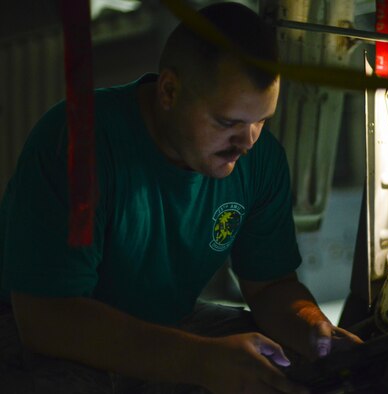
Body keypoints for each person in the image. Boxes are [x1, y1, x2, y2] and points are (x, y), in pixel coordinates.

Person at [0, 2, 361, 393]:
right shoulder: (79, 142)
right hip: (34, 327)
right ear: (169, 91)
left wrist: (313, 330)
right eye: (228, 123)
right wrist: (199, 361)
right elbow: (47, 318)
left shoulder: (259, 159)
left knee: (281, 360)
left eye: (261, 120)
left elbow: (271, 286)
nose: (247, 142)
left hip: (165, 323)